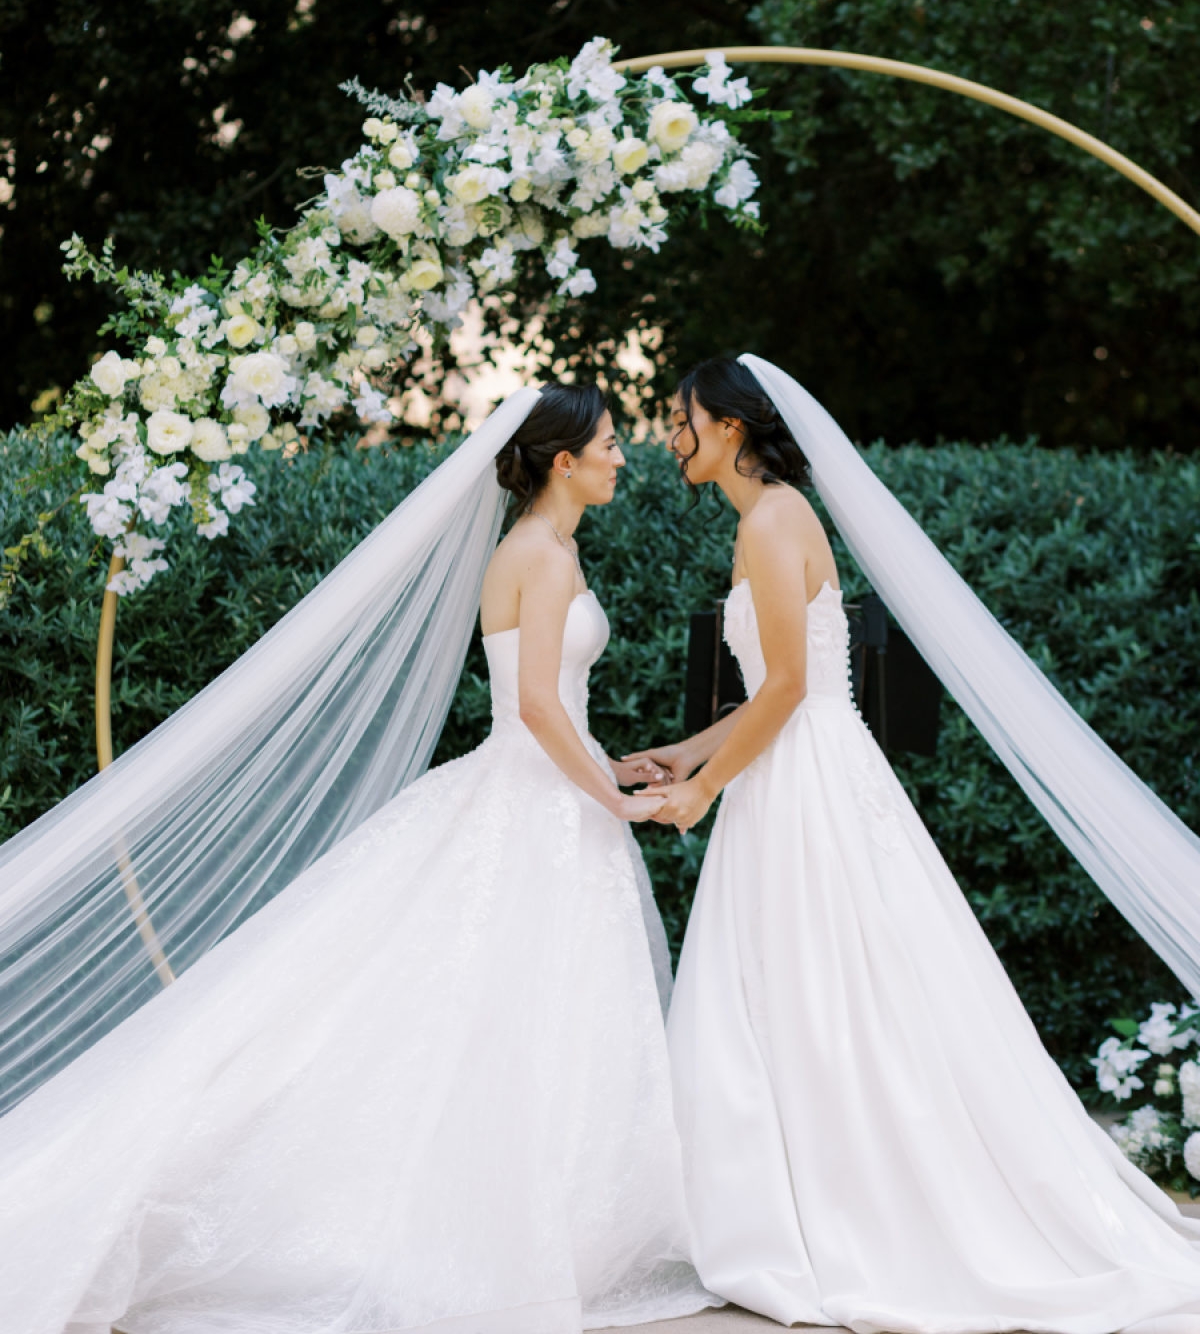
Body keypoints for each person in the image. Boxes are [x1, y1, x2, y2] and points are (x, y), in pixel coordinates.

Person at [0, 384, 717, 1334]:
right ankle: (486, 1236)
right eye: (612, 444)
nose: (624, 456)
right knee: (487, 1012)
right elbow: (538, 709)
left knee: (527, 1016)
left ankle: (538, 1225)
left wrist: (603, 766)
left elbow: (555, 710)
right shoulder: (537, 557)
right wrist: (614, 800)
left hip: (545, 791)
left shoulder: (556, 549)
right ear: (562, 462)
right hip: (533, 798)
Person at [625, 354, 1200, 1334]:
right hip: (800, 772)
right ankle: (792, 1209)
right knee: (803, 991)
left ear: (727, 427)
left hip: (801, 788)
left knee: (816, 991)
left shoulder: (770, 521)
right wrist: (681, 753)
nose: (670, 438)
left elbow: (788, 691)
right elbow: (776, 685)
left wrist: (707, 790)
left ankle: (834, 1219)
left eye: (680, 421)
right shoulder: (769, 516)